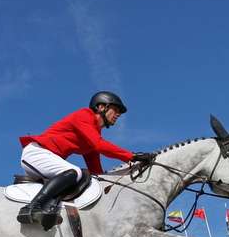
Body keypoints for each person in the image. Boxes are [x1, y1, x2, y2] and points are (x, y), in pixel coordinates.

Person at [17, 91, 154, 229]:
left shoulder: (93, 132)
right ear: (101, 107)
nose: (118, 114)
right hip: (36, 153)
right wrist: (132, 156)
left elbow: (95, 168)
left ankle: (52, 207)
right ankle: (32, 208)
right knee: (75, 172)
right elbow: (99, 145)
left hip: (45, 158)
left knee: (86, 176)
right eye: (116, 109)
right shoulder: (84, 115)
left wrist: (107, 184)